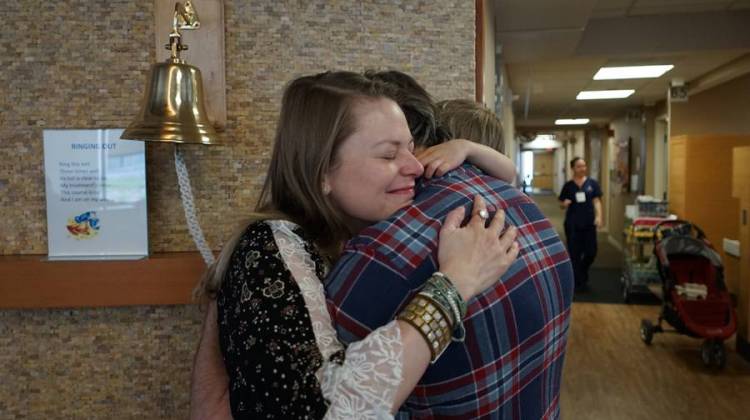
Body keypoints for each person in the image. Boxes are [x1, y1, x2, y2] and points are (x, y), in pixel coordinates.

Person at [189, 71, 520, 419]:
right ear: (322, 173)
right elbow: (324, 410)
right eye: (388, 155)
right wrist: (455, 285)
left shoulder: (359, 230)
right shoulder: (268, 248)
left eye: (410, 148)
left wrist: (465, 148)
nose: (413, 166)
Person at [325, 77, 574, 419]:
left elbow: (326, 399)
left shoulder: (378, 254)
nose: (411, 166)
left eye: (403, 149)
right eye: (387, 153)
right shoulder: (524, 208)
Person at [559, 157, 603, 290]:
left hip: (589, 223)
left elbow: (597, 201)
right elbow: (561, 203)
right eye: (579, 166)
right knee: (574, 254)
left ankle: (582, 273)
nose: (583, 168)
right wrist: (564, 204)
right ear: (573, 168)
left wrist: (599, 216)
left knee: (591, 252)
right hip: (572, 224)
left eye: (584, 166)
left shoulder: (592, 184)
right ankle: (578, 282)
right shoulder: (568, 186)